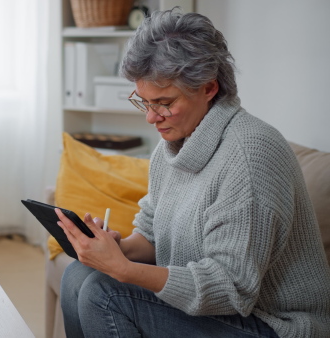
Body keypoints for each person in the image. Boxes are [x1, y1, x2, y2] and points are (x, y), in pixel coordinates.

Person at [55, 8, 330, 338]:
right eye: (144, 102)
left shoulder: (251, 155)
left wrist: (125, 271)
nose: (151, 117)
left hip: (272, 324)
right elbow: (152, 235)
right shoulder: (171, 146)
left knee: (107, 293)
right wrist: (117, 249)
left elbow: (232, 289)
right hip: (218, 313)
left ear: (209, 88)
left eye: (164, 102)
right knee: (77, 276)